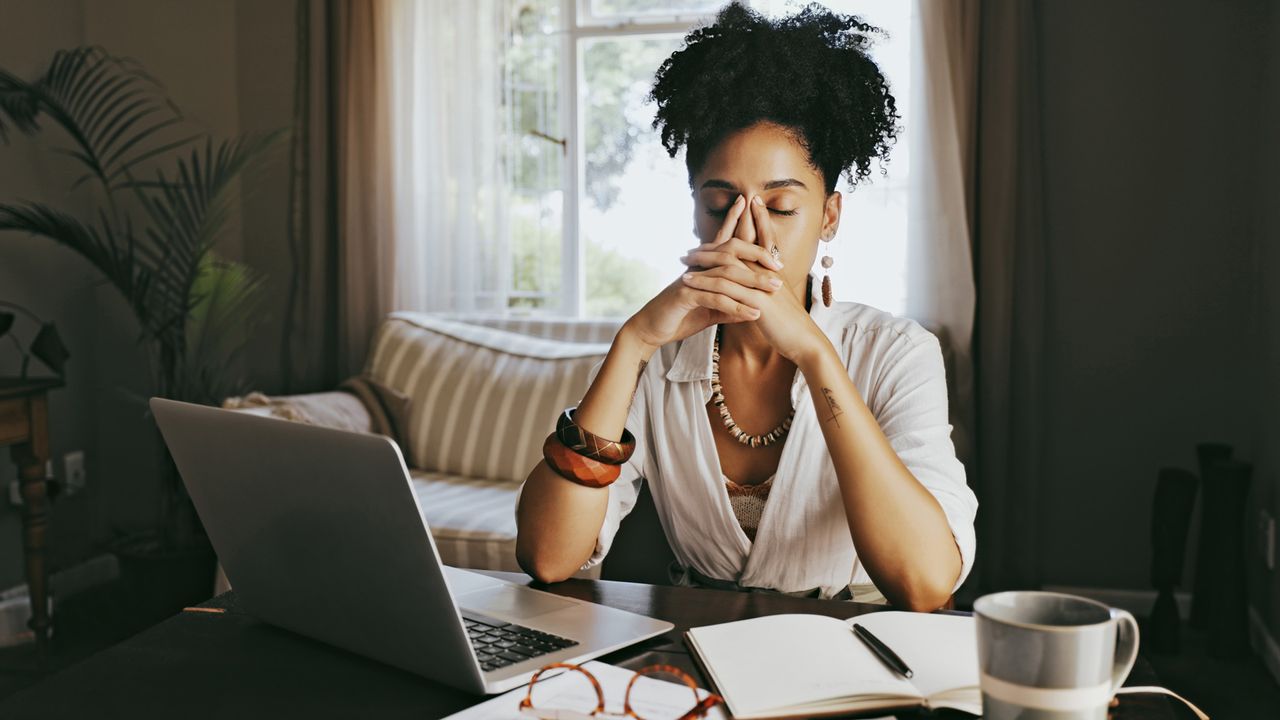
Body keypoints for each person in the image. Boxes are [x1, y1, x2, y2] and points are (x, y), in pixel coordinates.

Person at [515, 1, 976, 611]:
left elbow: (924, 583)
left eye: (781, 207)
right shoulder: (658, 354)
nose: (748, 235)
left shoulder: (896, 352)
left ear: (829, 216)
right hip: (696, 649)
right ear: (694, 210)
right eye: (719, 204)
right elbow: (548, 556)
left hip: (854, 655)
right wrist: (631, 346)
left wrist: (814, 353)